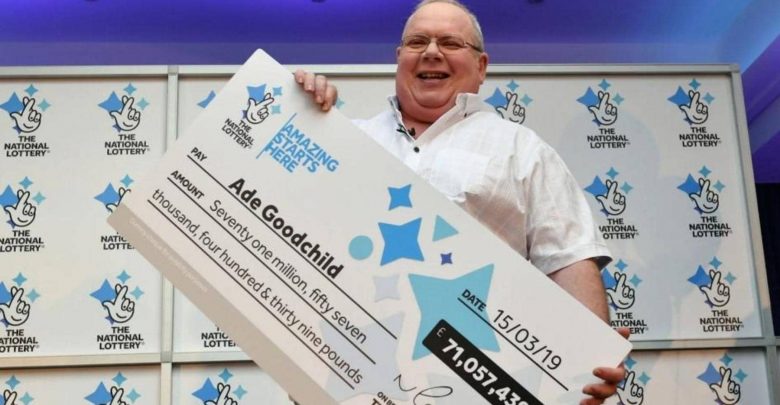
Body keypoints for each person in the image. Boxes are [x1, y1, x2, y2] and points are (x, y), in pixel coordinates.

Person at [294, 0, 628, 403]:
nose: (431, 52)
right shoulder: (349, 140)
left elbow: (568, 258)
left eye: (450, 43)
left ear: (481, 66)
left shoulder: (522, 150)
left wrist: (589, 361)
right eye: (417, 41)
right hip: (347, 374)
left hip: (473, 381)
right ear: (399, 57)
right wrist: (298, 112)